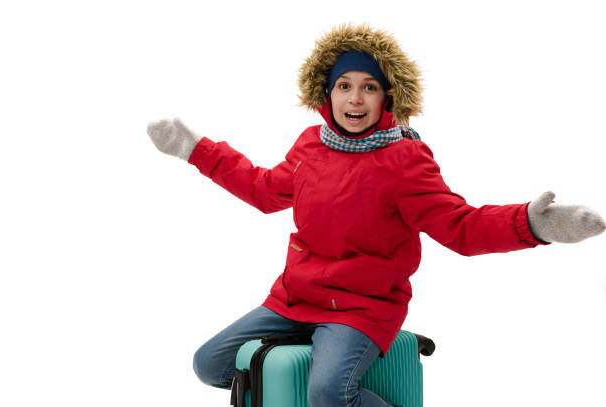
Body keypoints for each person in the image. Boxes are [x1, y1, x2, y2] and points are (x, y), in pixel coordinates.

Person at [146, 23, 605, 407]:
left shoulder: (405, 159)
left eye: (369, 87)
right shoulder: (311, 144)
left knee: (328, 393)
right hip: (295, 298)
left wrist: (533, 225)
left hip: (362, 308)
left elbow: (459, 227)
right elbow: (265, 190)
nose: (355, 99)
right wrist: (196, 151)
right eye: (344, 86)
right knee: (210, 365)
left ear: (388, 96)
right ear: (327, 92)